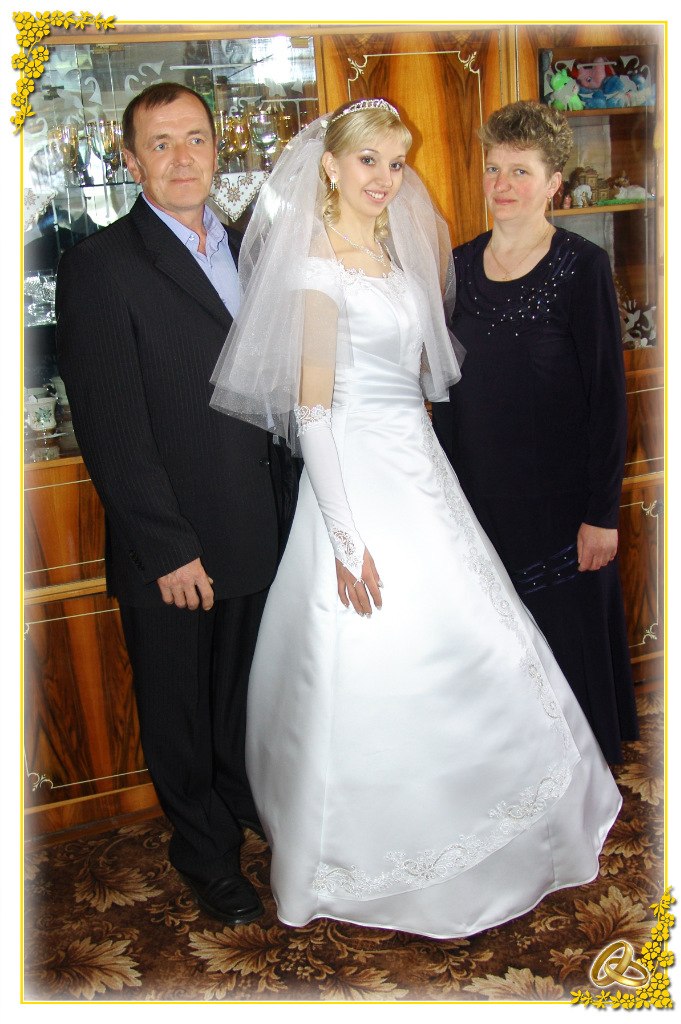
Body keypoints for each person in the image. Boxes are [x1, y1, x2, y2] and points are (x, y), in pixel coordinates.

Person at [210, 98, 622, 939]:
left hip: (421, 473)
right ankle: (371, 849)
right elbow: (313, 413)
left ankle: (498, 821)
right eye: (368, 161)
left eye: (396, 163)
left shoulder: (398, 258)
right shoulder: (316, 269)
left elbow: (430, 380)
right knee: (381, 652)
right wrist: (346, 538)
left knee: (479, 643)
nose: (385, 179)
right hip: (357, 483)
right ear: (331, 166)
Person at [55, 83, 296, 927]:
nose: (183, 157)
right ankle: (203, 855)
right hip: (176, 545)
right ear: (131, 162)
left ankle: (236, 804)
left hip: (256, 522)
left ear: (216, 148)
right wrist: (165, 547)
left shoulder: (249, 250)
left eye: (195, 138)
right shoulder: (100, 265)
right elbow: (110, 425)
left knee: (237, 698)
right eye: (161, 144)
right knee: (179, 712)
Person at [432, 100, 639, 765]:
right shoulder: (456, 269)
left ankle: (583, 795)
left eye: (520, 171)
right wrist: (446, 506)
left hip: (564, 511)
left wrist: (601, 515)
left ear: (553, 182)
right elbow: (446, 398)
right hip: (483, 507)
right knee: (501, 662)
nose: (502, 185)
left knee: (568, 658)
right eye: (493, 168)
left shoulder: (583, 267)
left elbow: (608, 399)